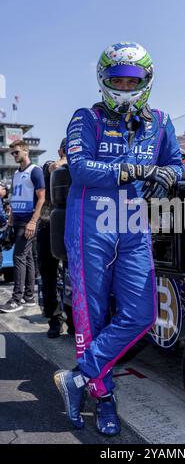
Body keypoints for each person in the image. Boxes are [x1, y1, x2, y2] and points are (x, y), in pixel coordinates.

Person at [53, 41, 183, 436]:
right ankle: (103, 398)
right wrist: (131, 170)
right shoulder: (85, 118)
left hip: (134, 224)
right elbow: (80, 167)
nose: (125, 87)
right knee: (91, 316)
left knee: (142, 315)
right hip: (89, 221)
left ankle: (78, 377)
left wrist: (167, 175)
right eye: (118, 80)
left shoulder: (161, 121)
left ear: (147, 80)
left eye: (133, 80)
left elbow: (175, 162)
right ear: (103, 80)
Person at [0, 140, 45, 313]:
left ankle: (16, 299)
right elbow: (15, 199)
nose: (14, 155)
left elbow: (42, 197)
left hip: (28, 220)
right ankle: (28, 297)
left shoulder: (35, 171)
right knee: (26, 258)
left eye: (16, 152)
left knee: (19, 256)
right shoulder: (17, 174)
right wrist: (10, 221)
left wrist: (33, 221)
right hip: (17, 220)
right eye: (12, 153)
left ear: (25, 152)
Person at [37, 138, 74, 338]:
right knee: (48, 275)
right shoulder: (51, 165)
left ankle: (74, 320)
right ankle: (55, 319)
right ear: (61, 150)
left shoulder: (80, 169)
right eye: (67, 150)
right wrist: (65, 159)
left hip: (70, 227)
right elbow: (51, 167)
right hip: (48, 225)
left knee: (72, 277)